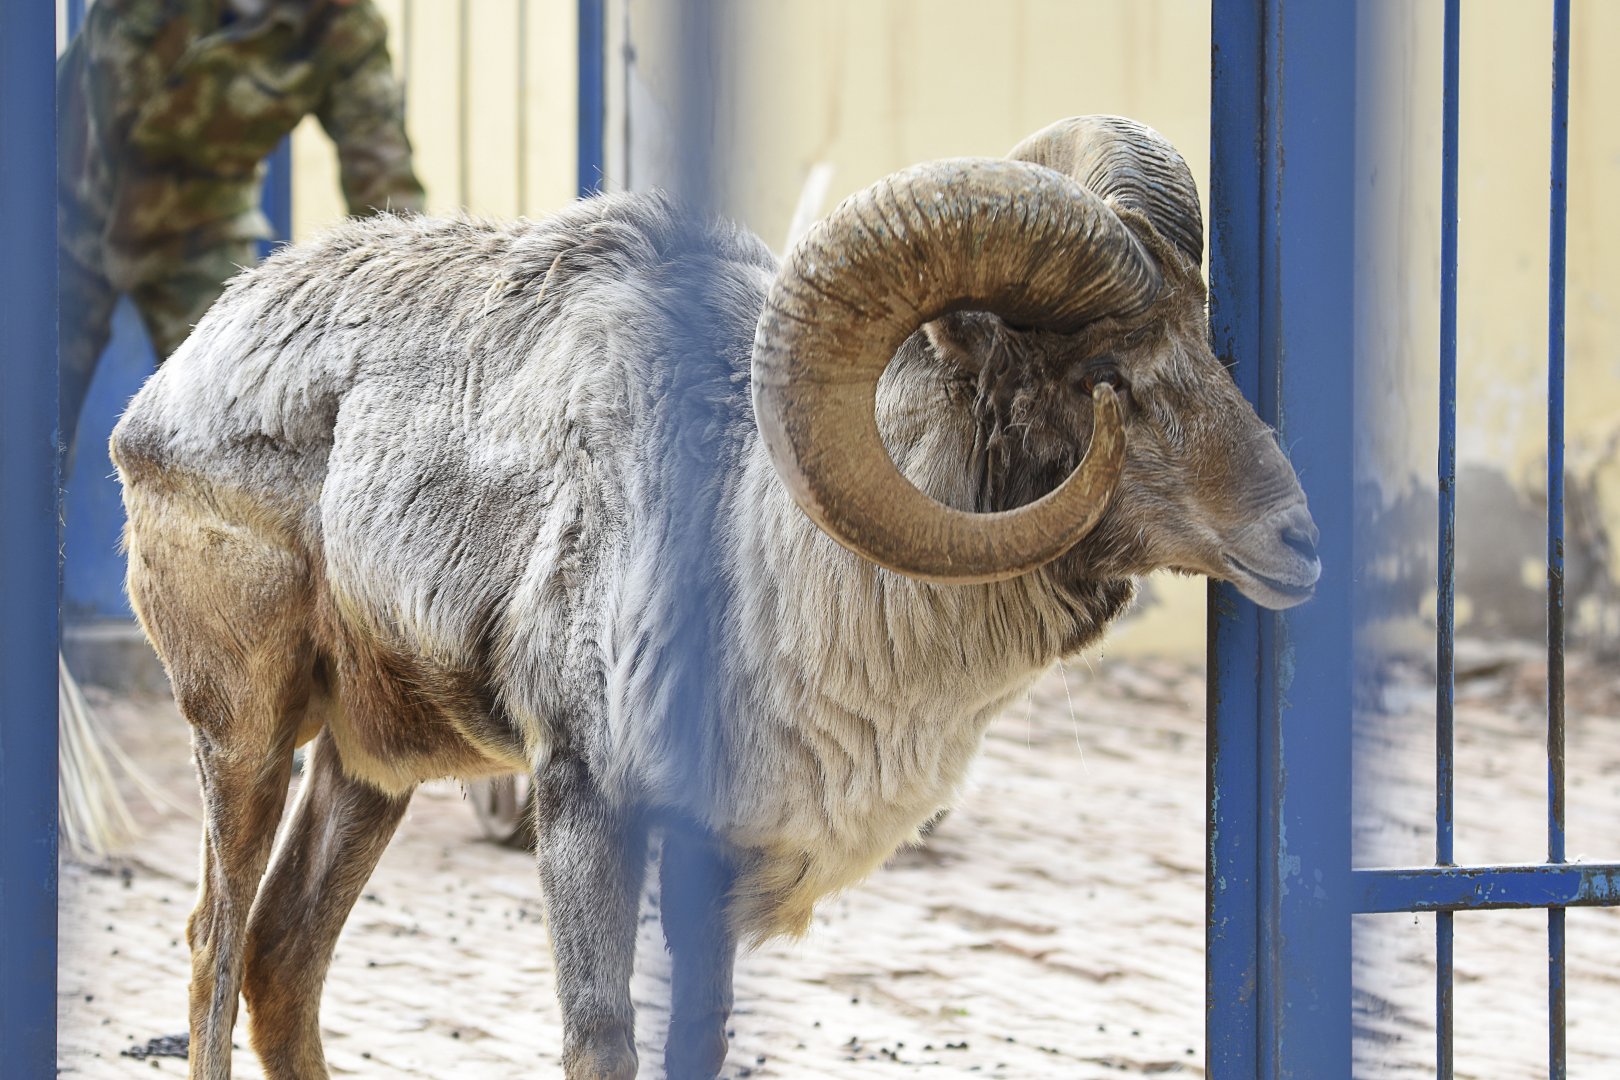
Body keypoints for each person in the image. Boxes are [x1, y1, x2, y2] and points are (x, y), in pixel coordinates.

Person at [56, 0, 425, 459]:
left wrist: (413, 300)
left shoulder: (338, 22)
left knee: (237, 431)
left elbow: (382, 176)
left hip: (198, 229)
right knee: (24, 425)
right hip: (61, 207)